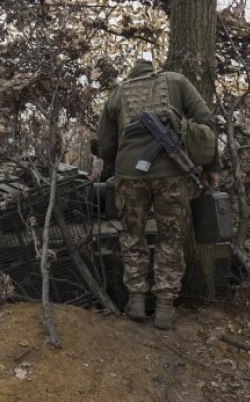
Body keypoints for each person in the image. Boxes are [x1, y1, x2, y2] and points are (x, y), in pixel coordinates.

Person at [97, 59, 219, 329]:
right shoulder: (176, 81)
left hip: (130, 177)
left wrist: (117, 162)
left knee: (132, 236)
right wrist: (211, 165)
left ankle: (136, 299)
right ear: (154, 70)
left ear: (132, 74)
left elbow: (105, 145)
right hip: (171, 177)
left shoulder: (117, 93)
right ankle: (164, 306)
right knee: (171, 238)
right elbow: (207, 122)